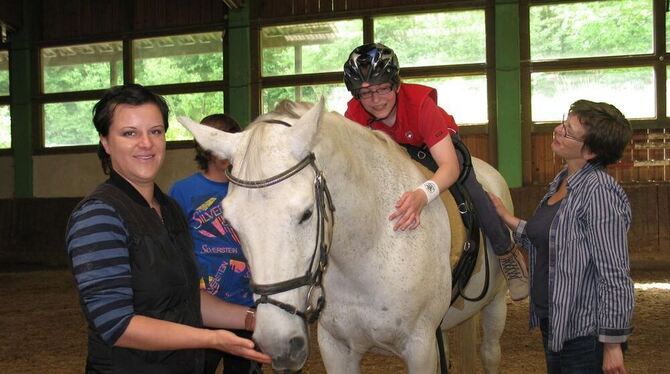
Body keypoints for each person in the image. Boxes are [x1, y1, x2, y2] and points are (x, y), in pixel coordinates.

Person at [65, 83, 271, 373]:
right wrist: (211, 339)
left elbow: (188, 300)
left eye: (155, 131)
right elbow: (117, 324)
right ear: (106, 143)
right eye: (129, 133)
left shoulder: (170, 209)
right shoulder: (99, 216)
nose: (146, 143)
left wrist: (254, 318)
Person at [343, 42, 528, 300]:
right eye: (365, 93)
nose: (375, 99)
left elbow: (449, 167)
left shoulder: (420, 105)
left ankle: (506, 252)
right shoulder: (353, 115)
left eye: (382, 88)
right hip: (393, 157)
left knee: (471, 189)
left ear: (396, 84)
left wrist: (422, 194)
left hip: (433, 149)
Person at [489, 99, 635, 373]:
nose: (557, 130)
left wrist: (613, 344)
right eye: (564, 122)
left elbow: (614, 275)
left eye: (568, 131)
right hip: (556, 322)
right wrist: (506, 218)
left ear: (590, 152)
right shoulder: (562, 180)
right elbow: (550, 242)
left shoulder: (600, 193)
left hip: (584, 334)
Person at [169, 114, 258, 374]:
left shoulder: (250, 190)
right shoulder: (183, 191)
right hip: (202, 307)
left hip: (246, 303)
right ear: (204, 148)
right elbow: (174, 245)